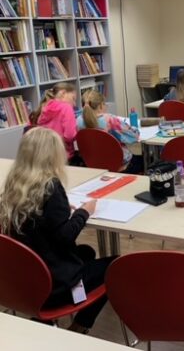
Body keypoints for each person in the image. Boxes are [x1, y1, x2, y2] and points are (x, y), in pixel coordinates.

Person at [0, 127, 116, 333]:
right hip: (53, 287)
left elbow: (39, 222)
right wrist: (84, 212)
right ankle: (79, 326)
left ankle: (47, 322)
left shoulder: (14, 185)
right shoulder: (50, 187)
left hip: (25, 282)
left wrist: (61, 211)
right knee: (115, 266)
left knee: (86, 252)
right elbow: (65, 236)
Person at [77, 90, 143, 174]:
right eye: (104, 104)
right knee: (146, 160)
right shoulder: (110, 120)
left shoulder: (78, 121)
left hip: (93, 164)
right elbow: (134, 136)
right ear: (100, 106)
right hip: (120, 165)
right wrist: (134, 128)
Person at [32, 83, 80, 164]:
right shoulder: (66, 108)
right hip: (63, 156)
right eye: (73, 98)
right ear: (63, 93)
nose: (74, 104)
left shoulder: (45, 107)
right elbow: (69, 136)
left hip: (45, 156)